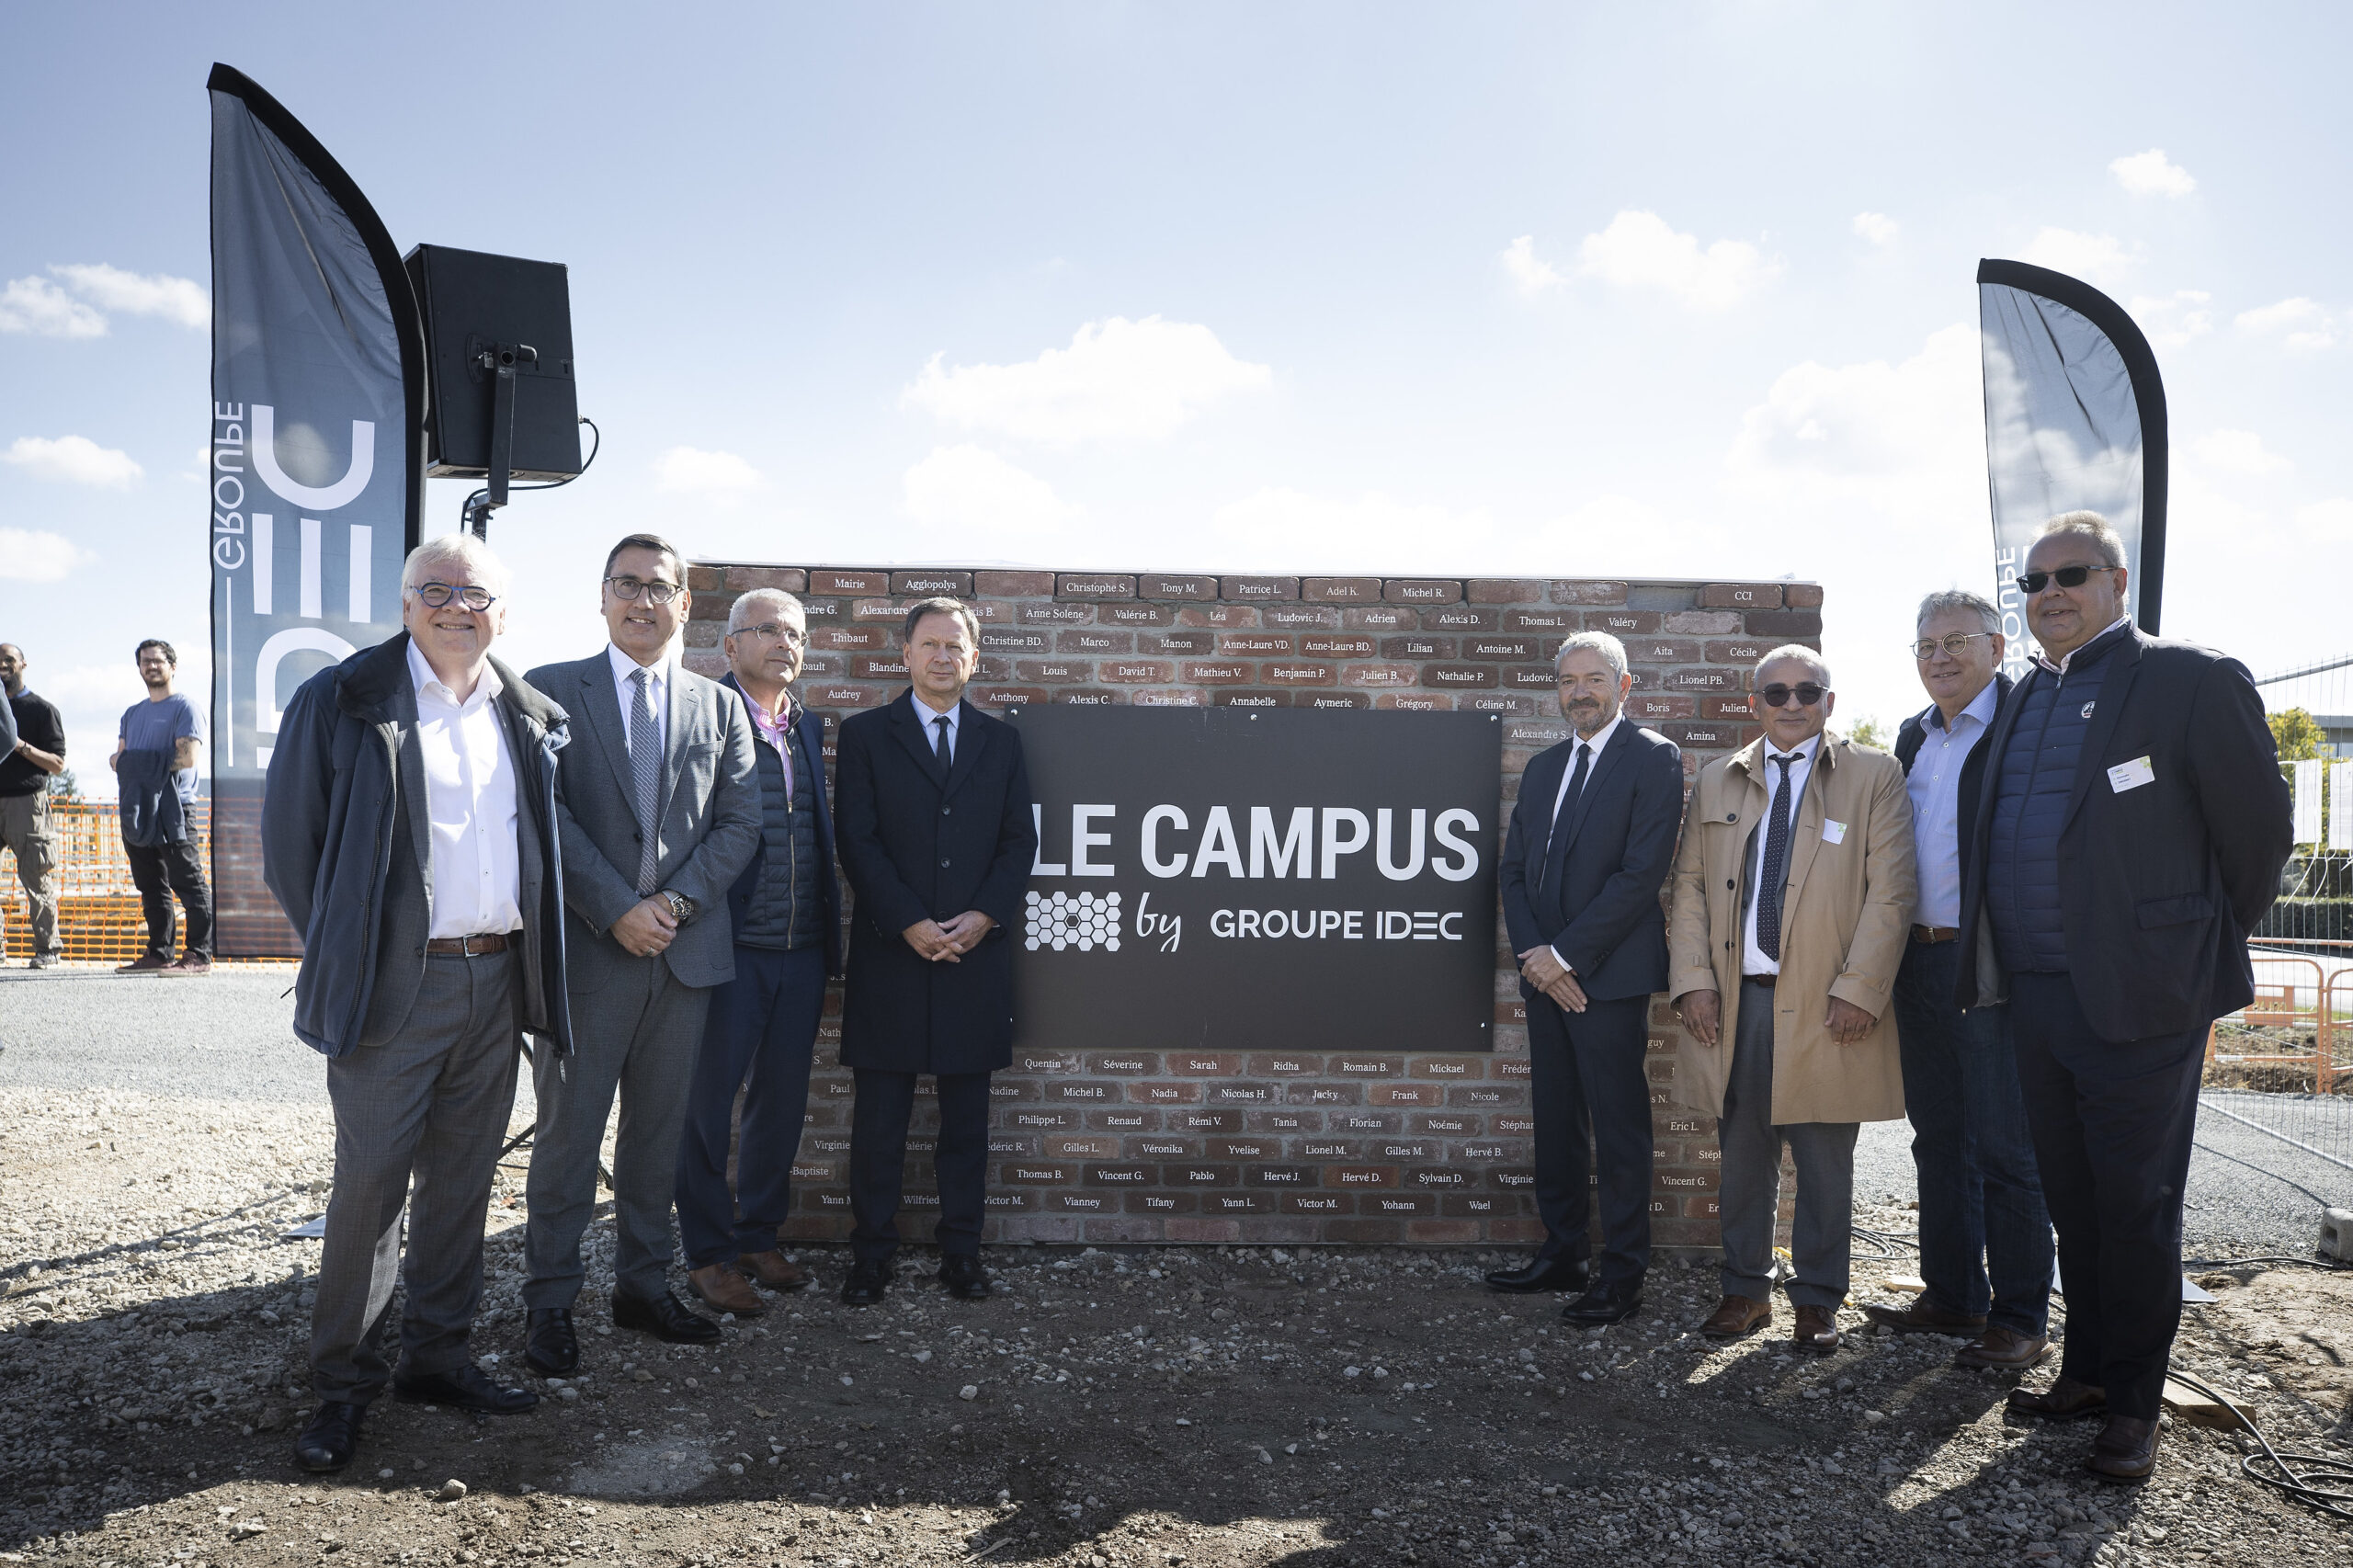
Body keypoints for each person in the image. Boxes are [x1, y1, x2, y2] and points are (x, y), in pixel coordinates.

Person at [1957, 512, 2290, 1482]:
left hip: (2143, 1000)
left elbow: (2257, 835)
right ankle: (2090, 1373)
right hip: (2036, 995)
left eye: (2070, 574)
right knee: (2074, 1198)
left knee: (2136, 1206)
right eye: (2033, 582)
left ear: (2117, 580)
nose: (2049, 593)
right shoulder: (2026, 694)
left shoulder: (2190, 680)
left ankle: (2136, 1406)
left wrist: (2186, 941)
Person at [261, 534, 572, 1472]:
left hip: (495, 978)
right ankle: (342, 1385)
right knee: (369, 1189)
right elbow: (292, 848)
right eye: (435, 589)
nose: (455, 607)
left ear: (502, 613)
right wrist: (352, 951)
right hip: (393, 984)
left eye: (475, 594)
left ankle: (437, 1357)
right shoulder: (342, 699)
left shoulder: (526, 714)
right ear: (404, 604)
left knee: (463, 1181)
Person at [521, 533, 761, 1372]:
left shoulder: (720, 707)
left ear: (684, 604)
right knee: (568, 1141)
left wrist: (673, 906)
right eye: (626, 583)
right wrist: (616, 908)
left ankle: (642, 1288)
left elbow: (741, 823)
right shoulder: (550, 692)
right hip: (591, 955)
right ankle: (549, 1303)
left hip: (684, 958)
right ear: (601, 596)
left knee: (658, 1139)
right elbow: (544, 813)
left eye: (659, 587)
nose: (642, 600)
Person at [1668, 646, 1915, 1353]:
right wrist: (1694, 980)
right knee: (1743, 1156)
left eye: (1808, 690)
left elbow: (1893, 891)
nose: (1792, 703)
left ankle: (1818, 1298)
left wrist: (1860, 988)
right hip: (1739, 1001)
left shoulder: (1875, 775)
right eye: (1775, 693)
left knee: (1825, 1163)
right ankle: (1745, 1290)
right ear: (1755, 703)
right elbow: (1689, 887)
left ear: (1829, 701)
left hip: (1827, 1004)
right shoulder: (1717, 778)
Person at [1863, 591, 2053, 1367]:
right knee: (1939, 1138)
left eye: (1956, 642)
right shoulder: (1913, 735)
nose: (1939, 658)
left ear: (1997, 647)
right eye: (1926, 646)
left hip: (1989, 963)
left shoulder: (2025, 724)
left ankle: (2020, 1317)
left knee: (2006, 1146)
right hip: (1917, 960)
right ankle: (1952, 1296)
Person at [832, 597, 1038, 1306]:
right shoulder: (865, 736)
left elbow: (1019, 842)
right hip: (891, 954)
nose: (942, 657)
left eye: (955, 646)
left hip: (974, 958)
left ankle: (962, 1254)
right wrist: (909, 922)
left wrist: (982, 917)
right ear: (906, 654)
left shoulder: (1001, 743)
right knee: (879, 1124)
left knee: (966, 1126)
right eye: (930, 644)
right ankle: (871, 1256)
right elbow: (857, 840)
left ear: (974, 659)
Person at [1488, 631, 1684, 1324]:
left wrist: (1566, 956)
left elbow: (1641, 875)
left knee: (1619, 1128)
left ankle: (1623, 1276)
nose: (1580, 692)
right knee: (1557, 1122)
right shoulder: (1545, 767)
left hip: (1609, 977)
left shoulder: (1653, 758)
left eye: (1594, 679)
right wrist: (1538, 959)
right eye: (1568, 681)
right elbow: (1515, 871)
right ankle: (1564, 1252)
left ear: (1623, 686)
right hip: (1547, 977)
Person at [673, 588, 843, 1313]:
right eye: (768, 630)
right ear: (730, 645)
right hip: (727, 948)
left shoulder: (805, 725)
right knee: (706, 1107)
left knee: (781, 1103)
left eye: (795, 634)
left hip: (799, 948)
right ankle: (708, 1254)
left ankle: (757, 1235)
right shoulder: (703, 716)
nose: (784, 643)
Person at [109, 639, 212, 974]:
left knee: (188, 882)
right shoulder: (131, 714)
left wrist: (133, 763)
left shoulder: (186, 707)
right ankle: (159, 952)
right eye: (145, 661)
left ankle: (199, 954)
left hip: (175, 806)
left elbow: (188, 757)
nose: (151, 666)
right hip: (138, 808)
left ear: (172, 666)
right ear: (139, 668)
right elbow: (117, 760)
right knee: (150, 884)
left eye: (157, 660)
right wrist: (134, 762)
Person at [1, 643, 69, 968]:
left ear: (23, 664)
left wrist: (18, 745)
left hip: (27, 804)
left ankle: (48, 949)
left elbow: (57, 764)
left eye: (8, 659)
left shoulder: (42, 710)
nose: (2, 665)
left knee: (36, 877)